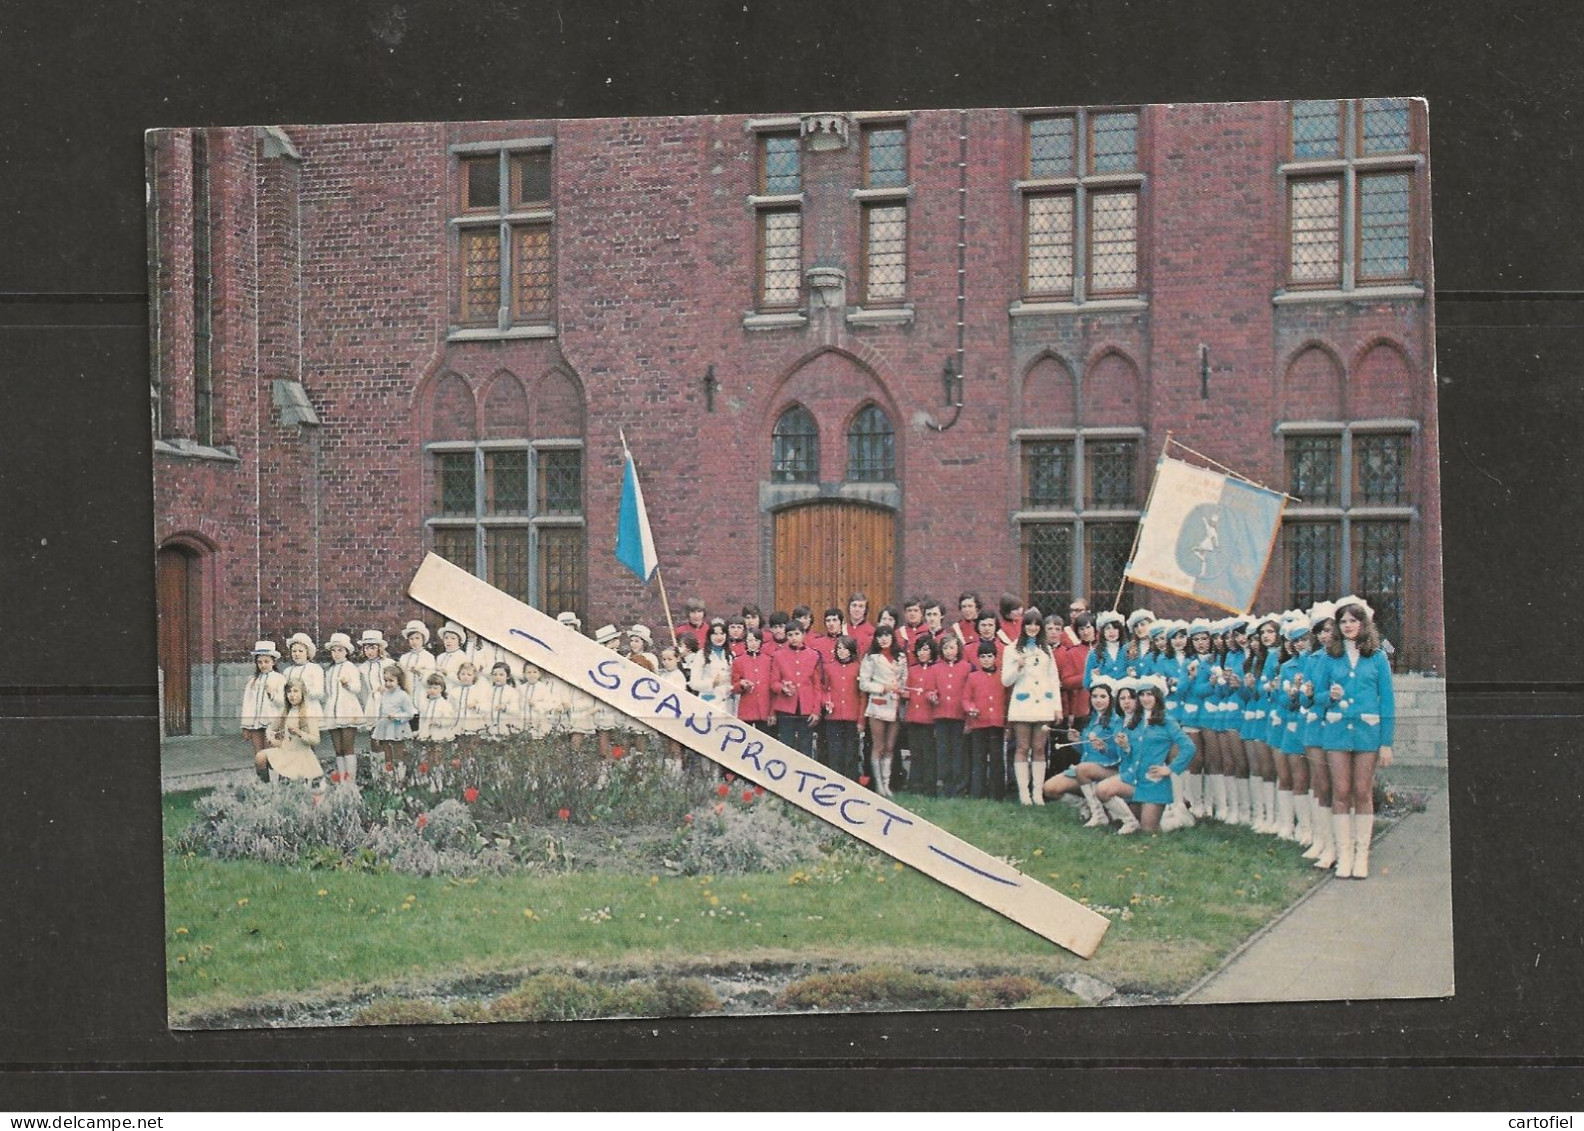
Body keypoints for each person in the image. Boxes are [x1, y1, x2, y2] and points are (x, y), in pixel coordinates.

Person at [1318, 597, 1395, 879]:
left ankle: (1362, 855)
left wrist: (1386, 742)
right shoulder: (1329, 656)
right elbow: (1316, 697)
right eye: (1343, 621)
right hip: (1337, 732)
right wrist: (1330, 696)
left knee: (1362, 792)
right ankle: (1344, 855)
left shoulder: (1377, 656)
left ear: (1363, 624)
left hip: (1367, 734)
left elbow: (1387, 701)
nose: (1348, 625)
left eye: (1353, 620)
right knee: (1340, 791)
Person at [1095, 675, 1196, 835]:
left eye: (1149, 694)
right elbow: (1128, 754)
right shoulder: (1134, 720)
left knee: (1149, 831)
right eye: (1141, 694)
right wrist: (1126, 747)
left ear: (1158, 696)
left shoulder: (1167, 721)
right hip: (1132, 778)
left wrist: (1169, 769)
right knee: (1101, 789)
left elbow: (1189, 747)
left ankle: (1177, 820)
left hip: (1153, 783)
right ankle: (1130, 822)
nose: (1145, 698)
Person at [1041, 675, 1122, 826]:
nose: (1098, 700)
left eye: (1103, 696)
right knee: (1050, 788)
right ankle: (1087, 805)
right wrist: (1077, 741)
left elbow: (1119, 753)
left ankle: (1099, 815)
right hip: (1086, 771)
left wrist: (1104, 748)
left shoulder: (1117, 721)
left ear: (1111, 698)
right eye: (1094, 696)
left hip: (1108, 770)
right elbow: (1085, 751)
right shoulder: (1090, 720)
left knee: (1083, 769)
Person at [1002, 608, 1061, 806]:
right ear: (1023, 625)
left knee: (1039, 748)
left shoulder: (1046, 650)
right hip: (1022, 705)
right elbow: (1005, 680)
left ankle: (1037, 792)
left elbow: (1053, 679)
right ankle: (1023, 793)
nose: (1033, 628)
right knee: (1022, 747)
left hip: (1043, 704)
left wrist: (1057, 707)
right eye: (1029, 623)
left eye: (1036, 624)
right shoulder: (1011, 649)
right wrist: (1017, 667)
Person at [1299, 603, 1340, 868]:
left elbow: (1334, 696)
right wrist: (1310, 695)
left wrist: (1317, 697)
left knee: (1338, 786)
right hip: (1315, 726)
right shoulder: (1312, 659)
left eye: (1328, 630)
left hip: (1335, 726)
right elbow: (1305, 699)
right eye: (1319, 631)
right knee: (1320, 784)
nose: (1324, 636)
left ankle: (1337, 843)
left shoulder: (1341, 658)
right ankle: (1322, 840)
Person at [859, 624, 907, 797]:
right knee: (878, 745)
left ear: (892, 637)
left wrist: (901, 689)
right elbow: (863, 683)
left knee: (890, 746)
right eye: (880, 636)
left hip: (894, 705)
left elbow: (903, 679)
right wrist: (882, 687)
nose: (884, 639)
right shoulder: (871, 658)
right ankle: (879, 785)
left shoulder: (900, 657)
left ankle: (887, 784)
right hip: (878, 704)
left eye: (887, 635)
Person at [769, 622, 824, 757]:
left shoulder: (814, 655)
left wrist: (816, 710)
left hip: (806, 708)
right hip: (786, 708)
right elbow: (773, 683)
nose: (793, 638)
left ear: (804, 634)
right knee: (786, 745)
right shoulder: (779, 655)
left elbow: (817, 686)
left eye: (797, 634)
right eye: (790, 635)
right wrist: (783, 688)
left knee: (806, 747)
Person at [962, 641, 1008, 800]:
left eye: (990, 656)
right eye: (983, 657)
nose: (986, 660)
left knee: (996, 759)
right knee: (978, 759)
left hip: (996, 724)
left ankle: (997, 795)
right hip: (978, 724)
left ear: (996, 657)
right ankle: (977, 793)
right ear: (978, 659)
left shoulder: (1003, 676)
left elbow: (1007, 699)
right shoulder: (973, 677)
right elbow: (966, 699)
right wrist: (971, 709)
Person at [930, 631, 972, 799]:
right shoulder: (935, 668)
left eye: (952, 647)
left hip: (959, 717)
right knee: (943, 753)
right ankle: (944, 787)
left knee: (959, 753)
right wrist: (932, 695)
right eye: (945, 648)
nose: (949, 651)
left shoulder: (966, 667)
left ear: (958, 648)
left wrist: (968, 719)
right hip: (941, 716)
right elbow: (931, 688)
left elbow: (970, 693)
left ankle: (959, 788)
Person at [320, 632, 366, 784]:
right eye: (333, 650)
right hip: (333, 710)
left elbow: (357, 688)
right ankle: (342, 781)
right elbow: (327, 691)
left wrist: (348, 684)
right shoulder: (330, 670)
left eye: (340, 650)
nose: (336, 654)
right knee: (338, 749)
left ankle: (350, 782)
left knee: (347, 748)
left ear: (347, 651)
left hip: (347, 709)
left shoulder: (350, 667)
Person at [241, 641, 286, 782]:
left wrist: (272, 694)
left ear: (274, 661)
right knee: (259, 757)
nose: (263, 665)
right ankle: (264, 784)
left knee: (273, 754)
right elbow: (247, 705)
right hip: (256, 724)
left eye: (266, 661)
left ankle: (275, 785)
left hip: (273, 723)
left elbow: (284, 703)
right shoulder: (253, 681)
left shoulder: (280, 679)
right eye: (259, 662)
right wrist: (245, 726)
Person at [821, 634, 863, 780]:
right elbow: (824, 689)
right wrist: (827, 701)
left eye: (845, 649)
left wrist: (861, 720)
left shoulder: (858, 667)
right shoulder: (829, 668)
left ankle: (850, 780)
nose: (841, 651)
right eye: (839, 648)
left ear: (851, 651)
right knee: (835, 750)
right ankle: (835, 780)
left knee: (851, 751)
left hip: (852, 717)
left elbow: (862, 695)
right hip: (834, 717)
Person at [266, 678, 324, 782]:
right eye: (289, 692)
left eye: (296, 691)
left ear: (303, 693)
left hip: (302, 757)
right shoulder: (285, 712)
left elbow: (316, 740)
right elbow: (271, 728)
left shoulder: (309, 713)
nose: (292, 695)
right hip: (286, 756)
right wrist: (271, 739)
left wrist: (299, 733)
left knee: (302, 788)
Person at [903, 634, 939, 796]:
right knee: (915, 753)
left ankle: (929, 787)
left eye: (926, 650)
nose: (923, 653)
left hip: (928, 719)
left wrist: (933, 696)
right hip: (913, 718)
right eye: (920, 650)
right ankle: (915, 786)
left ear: (932, 651)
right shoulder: (911, 670)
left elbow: (939, 691)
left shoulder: (936, 670)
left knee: (928, 753)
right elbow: (906, 691)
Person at [372, 663, 416, 774]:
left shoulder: (403, 695)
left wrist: (397, 716)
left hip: (397, 727)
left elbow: (410, 714)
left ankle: (400, 776)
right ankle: (389, 776)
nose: (387, 684)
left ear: (399, 680)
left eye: (391, 681)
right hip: (386, 728)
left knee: (398, 753)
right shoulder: (385, 694)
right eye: (385, 681)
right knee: (387, 751)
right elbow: (382, 711)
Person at [731, 629, 775, 735]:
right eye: (750, 640)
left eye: (756, 640)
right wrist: (741, 685)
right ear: (745, 642)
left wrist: (772, 712)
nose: (753, 643)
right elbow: (733, 686)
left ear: (761, 642)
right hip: (747, 709)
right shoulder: (738, 661)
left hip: (764, 709)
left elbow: (772, 688)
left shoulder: (769, 660)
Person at [688, 620, 735, 713]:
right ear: (709, 636)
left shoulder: (731, 655)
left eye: (722, 633)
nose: (719, 637)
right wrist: (712, 683)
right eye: (715, 634)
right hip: (709, 701)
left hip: (728, 703)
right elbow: (693, 683)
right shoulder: (701, 655)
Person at [397, 620, 436, 711]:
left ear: (423, 639)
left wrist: (420, 673)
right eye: (411, 639)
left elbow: (431, 680)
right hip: (407, 696)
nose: (414, 641)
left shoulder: (428, 657)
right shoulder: (404, 658)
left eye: (417, 638)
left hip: (422, 696)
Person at [280, 632, 326, 707]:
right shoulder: (287, 671)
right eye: (294, 651)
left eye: (300, 651)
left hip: (310, 708)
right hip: (293, 709)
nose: (297, 654)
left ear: (307, 652)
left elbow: (319, 693)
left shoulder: (315, 669)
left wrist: (304, 689)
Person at [416, 671, 456, 745]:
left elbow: (450, 720)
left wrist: (439, 722)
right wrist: (421, 731)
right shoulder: (425, 704)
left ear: (441, 689)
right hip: (427, 734)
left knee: (438, 753)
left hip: (439, 734)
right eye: (430, 687)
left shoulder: (444, 704)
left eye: (435, 688)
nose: (432, 690)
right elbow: (422, 719)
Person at [450, 660, 490, 735]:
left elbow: (486, 708)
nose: (465, 677)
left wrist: (476, 706)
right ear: (459, 675)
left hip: (473, 725)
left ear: (474, 677)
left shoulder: (478, 691)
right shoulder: (454, 692)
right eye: (463, 674)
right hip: (457, 725)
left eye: (469, 674)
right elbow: (450, 708)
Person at [484, 661, 521, 736]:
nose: (498, 677)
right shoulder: (489, 691)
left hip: (506, 728)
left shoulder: (512, 692)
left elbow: (516, 710)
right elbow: (484, 706)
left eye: (501, 675)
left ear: (507, 676)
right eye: (495, 674)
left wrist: (505, 707)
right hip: (490, 727)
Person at [434, 622, 471, 689]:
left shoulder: (462, 657)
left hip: (454, 691)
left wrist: (447, 674)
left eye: (453, 638)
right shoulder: (440, 657)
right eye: (446, 638)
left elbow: (465, 680)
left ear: (459, 641)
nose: (449, 641)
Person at [844, 591, 874, 656]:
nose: (857, 609)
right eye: (854, 605)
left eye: (861, 606)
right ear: (849, 608)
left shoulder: (872, 632)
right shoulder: (842, 630)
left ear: (865, 610)